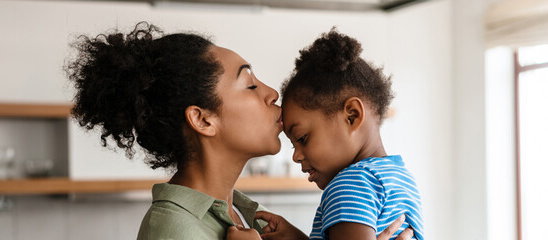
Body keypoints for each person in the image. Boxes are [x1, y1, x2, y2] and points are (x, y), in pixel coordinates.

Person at [66, 22, 413, 240]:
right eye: (249, 84)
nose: (272, 93)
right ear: (203, 120)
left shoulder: (248, 216)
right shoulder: (171, 230)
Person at [235, 28, 424, 240]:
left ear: (352, 116)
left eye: (302, 138)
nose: (296, 156)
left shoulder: (349, 185)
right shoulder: (400, 178)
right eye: (293, 145)